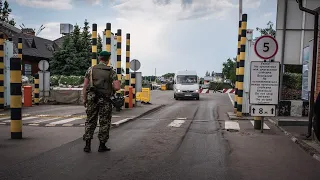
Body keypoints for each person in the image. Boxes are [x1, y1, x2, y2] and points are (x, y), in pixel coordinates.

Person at [82, 51, 120, 153]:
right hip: (105, 100)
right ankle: (102, 145)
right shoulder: (111, 71)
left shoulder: (91, 69)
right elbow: (117, 87)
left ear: (99, 58)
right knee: (104, 122)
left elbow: (85, 86)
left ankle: (87, 145)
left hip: (92, 99)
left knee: (90, 121)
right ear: (108, 59)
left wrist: (84, 99)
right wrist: (109, 88)